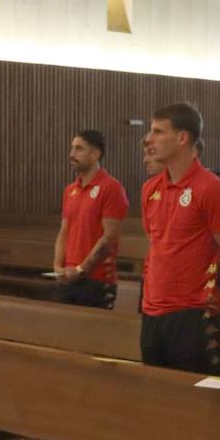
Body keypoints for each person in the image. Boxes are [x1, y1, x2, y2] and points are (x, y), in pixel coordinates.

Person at [122, 102, 220, 440]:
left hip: (193, 314)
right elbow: (159, 246)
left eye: (157, 131)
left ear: (183, 138)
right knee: (162, 407)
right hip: (155, 312)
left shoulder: (211, 188)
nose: (148, 139)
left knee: (206, 410)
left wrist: (206, 291)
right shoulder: (151, 188)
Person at [53, 130, 129, 309]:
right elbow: (64, 232)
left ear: (95, 154)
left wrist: (80, 270)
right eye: (72, 148)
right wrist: (57, 266)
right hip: (67, 277)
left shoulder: (111, 188)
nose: (72, 154)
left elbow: (109, 238)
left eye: (79, 149)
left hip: (96, 280)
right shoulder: (70, 190)